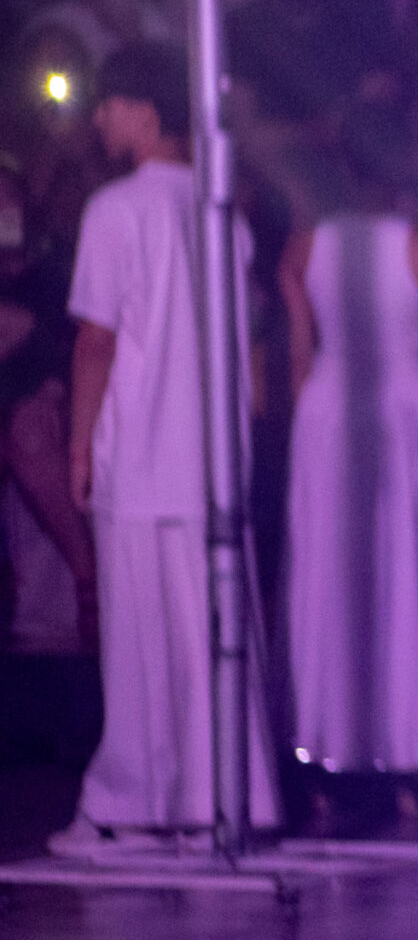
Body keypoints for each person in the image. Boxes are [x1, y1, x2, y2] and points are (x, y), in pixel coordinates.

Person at [51, 42, 277, 846]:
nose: (99, 120)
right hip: (212, 453)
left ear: (143, 113)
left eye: (109, 105)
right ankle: (226, 796)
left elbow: (96, 342)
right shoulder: (223, 211)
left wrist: (79, 446)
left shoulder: (117, 209)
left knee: (144, 640)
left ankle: (134, 805)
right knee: (210, 631)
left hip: (145, 448)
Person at [279, 103, 418, 827]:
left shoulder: (303, 249)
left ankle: (325, 755)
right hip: (402, 413)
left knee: (329, 577)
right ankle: (406, 762)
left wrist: (307, 443)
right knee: (404, 572)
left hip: (328, 411)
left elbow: (300, 360)